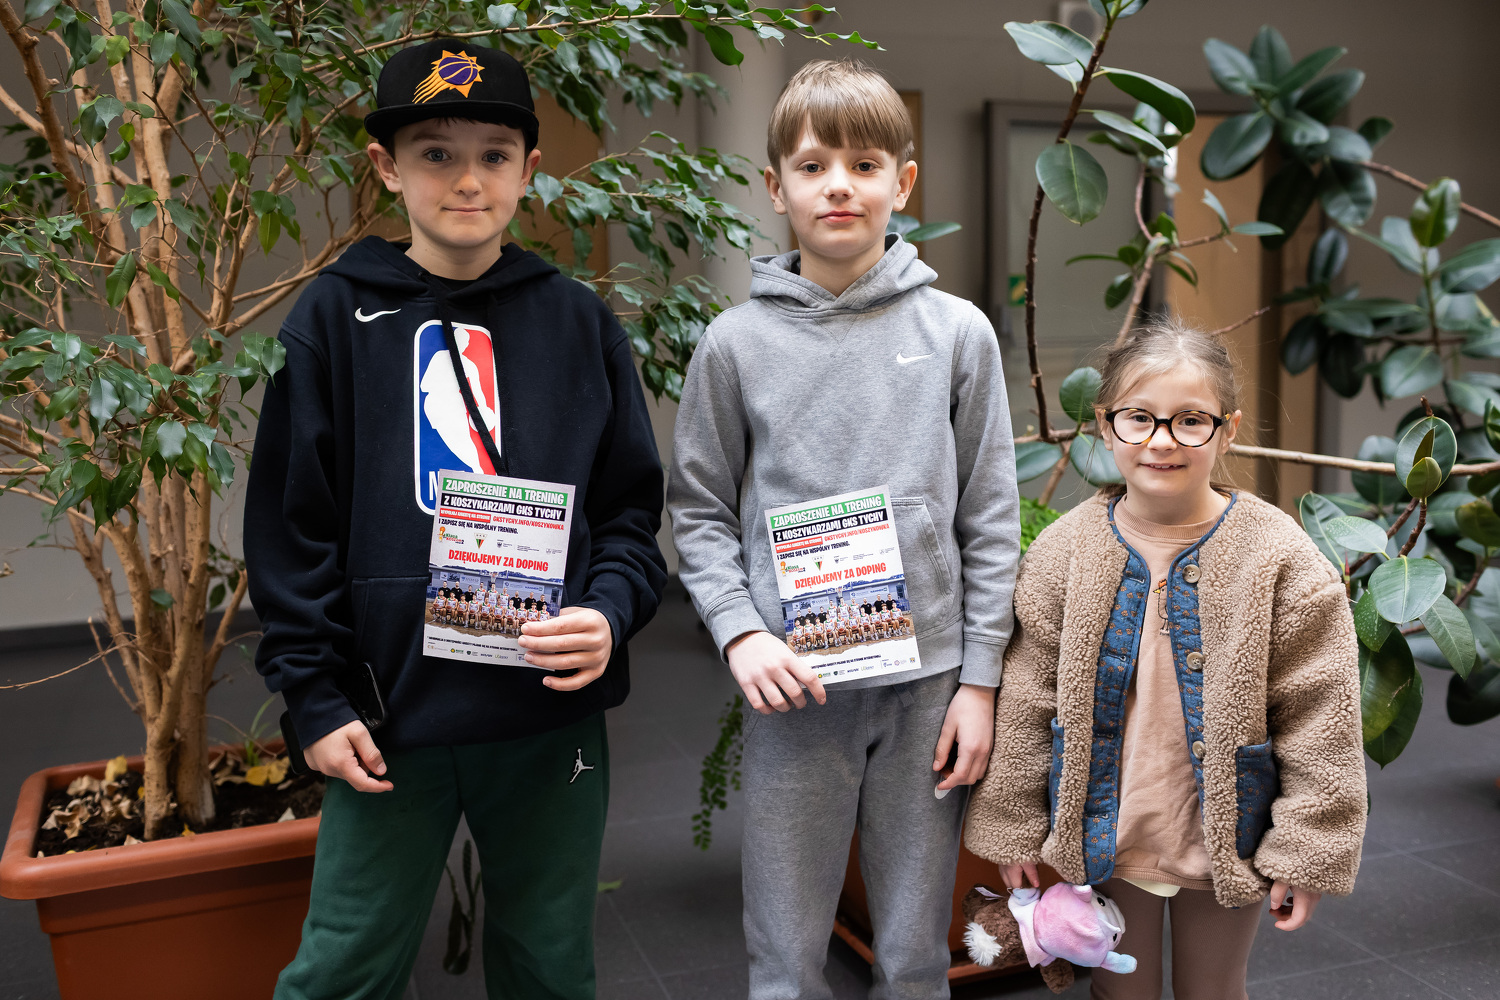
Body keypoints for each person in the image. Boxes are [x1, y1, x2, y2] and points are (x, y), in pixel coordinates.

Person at [244, 38, 667, 1000]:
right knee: (342, 967)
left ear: (529, 168)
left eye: (493, 154)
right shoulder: (330, 319)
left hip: (545, 712)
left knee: (550, 967)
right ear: (386, 166)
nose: (467, 179)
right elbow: (289, 530)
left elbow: (629, 516)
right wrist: (314, 698)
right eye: (435, 153)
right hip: (384, 714)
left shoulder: (580, 323)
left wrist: (607, 613)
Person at [667, 58, 1020, 999]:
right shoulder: (734, 345)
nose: (839, 186)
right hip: (797, 689)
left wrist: (980, 681)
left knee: (914, 954)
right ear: (774, 185)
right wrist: (739, 632)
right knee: (785, 957)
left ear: (903, 183)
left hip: (928, 689)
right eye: (814, 165)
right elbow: (698, 510)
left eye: (865, 165)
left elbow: (991, 518)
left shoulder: (958, 333)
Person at [964, 320, 1367, 1000]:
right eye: (1139, 418)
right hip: (1106, 833)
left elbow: (1321, 715)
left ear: (1227, 430)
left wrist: (1308, 849)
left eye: (1190, 421)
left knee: (1215, 988)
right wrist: (1013, 826)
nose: (1161, 440)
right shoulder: (1063, 553)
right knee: (1120, 990)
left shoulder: (1281, 558)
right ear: (1105, 425)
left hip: (1224, 837)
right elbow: (1028, 698)